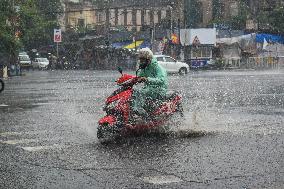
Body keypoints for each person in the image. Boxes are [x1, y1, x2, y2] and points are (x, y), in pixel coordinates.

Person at [131, 48, 168, 120]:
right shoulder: (145, 68)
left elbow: (162, 80)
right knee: (133, 91)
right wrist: (131, 79)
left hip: (160, 89)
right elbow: (138, 76)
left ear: (148, 59)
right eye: (140, 60)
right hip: (149, 89)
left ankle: (140, 110)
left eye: (143, 60)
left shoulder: (157, 67)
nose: (141, 62)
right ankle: (133, 110)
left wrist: (147, 79)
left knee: (140, 92)